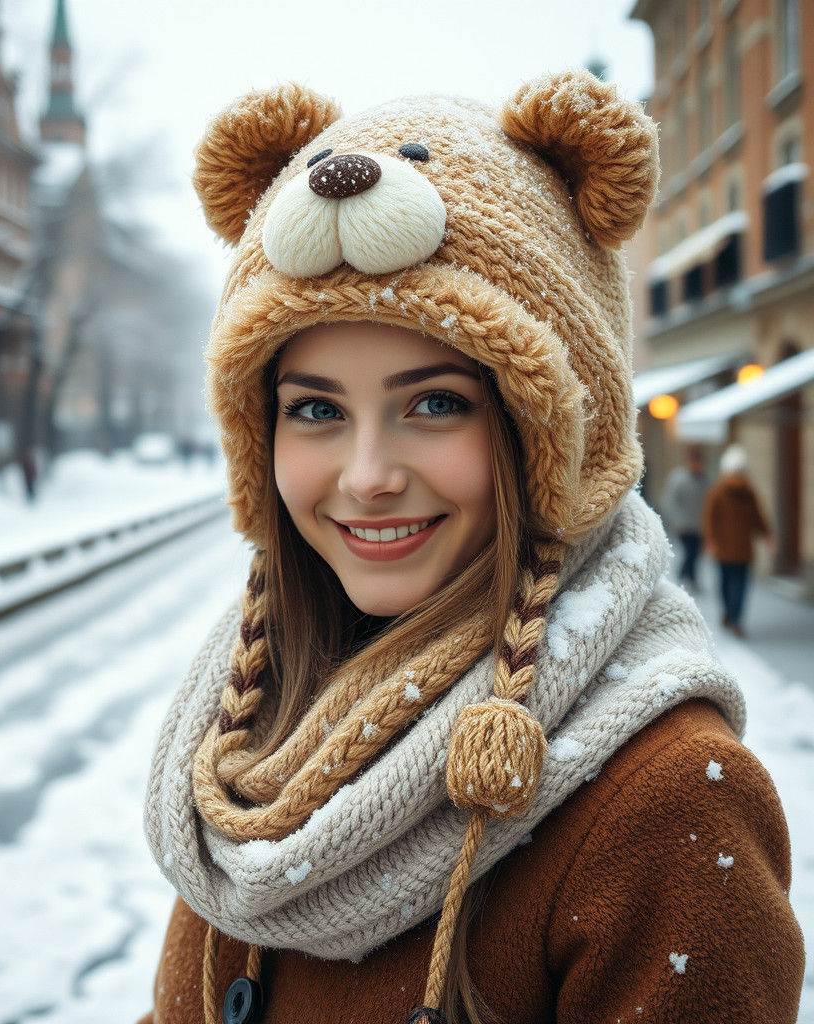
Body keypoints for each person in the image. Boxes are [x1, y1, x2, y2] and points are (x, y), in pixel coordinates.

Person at [140, 74, 803, 1024]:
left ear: (552, 433)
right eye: (316, 409)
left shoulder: (665, 806)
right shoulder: (258, 745)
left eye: (436, 403)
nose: (366, 475)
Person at [703, 444, 773, 639]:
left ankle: (735, 619)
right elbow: (709, 518)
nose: (738, 477)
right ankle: (729, 613)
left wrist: (767, 534)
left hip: (743, 549)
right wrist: (711, 540)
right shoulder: (717, 493)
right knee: (726, 584)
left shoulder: (749, 494)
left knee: (740, 586)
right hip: (724, 549)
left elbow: (758, 516)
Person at [661, 445, 708, 591]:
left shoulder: (706, 480)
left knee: (696, 554)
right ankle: (683, 575)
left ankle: (690, 577)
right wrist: (676, 521)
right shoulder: (679, 478)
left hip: (700, 525)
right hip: (684, 525)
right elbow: (669, 501)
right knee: (689, 552)